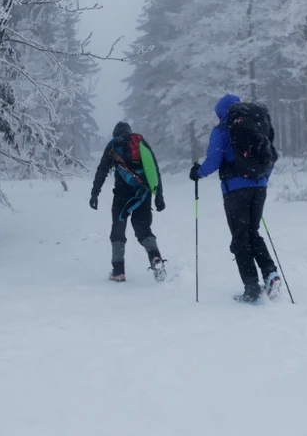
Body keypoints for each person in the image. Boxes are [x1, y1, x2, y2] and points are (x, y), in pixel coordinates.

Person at [189, 94, 281, 303]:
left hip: (235, 191)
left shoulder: (222, 130)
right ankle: (270, 274)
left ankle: (251, 288)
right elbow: (270, 157)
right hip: (259, 188)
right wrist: (262, 178)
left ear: (221, 112)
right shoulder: (259, 126)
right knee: (252, 232)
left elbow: (213, 160)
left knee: (240, 238)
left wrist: (198, 173)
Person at [90, 121, 167, 283]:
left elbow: (102, 170)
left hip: (121, 195)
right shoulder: (141, 143)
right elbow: (154, 169)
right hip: (143, 193)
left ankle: (118, 272)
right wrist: (159, 196)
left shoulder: (113, 144)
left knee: (118, 230)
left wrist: (95, 192)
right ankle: (155, 258)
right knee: (143, 229)